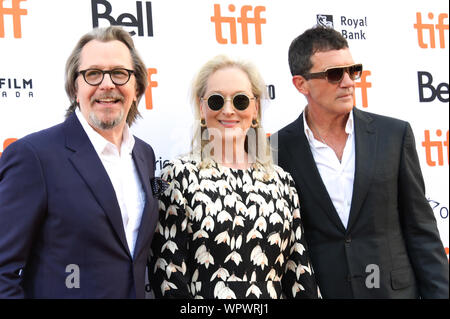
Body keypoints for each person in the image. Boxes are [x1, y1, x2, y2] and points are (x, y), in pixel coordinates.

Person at [273, 26, 449, 298]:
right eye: (334, 74)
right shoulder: (277, 149)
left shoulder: (394, 135)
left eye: (353, 70)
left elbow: (421, 230)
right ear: (301, 84)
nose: (348, 82)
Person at [0, 26, 159, 298]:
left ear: (137, 87)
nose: (107, 84)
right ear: (76, 87)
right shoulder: (33, 156)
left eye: (119, 73)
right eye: (93, 74)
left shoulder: (145, 155)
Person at [148, 55, 319, 299]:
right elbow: (167, 276)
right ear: (201, 107)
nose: (228, 110)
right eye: (217, 101)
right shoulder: (176, 177)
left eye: (240, 100)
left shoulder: (282, 182)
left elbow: (300, 273)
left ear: (255, 108)